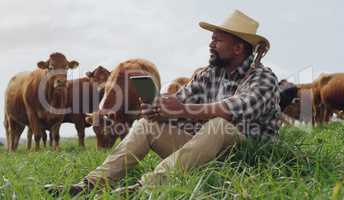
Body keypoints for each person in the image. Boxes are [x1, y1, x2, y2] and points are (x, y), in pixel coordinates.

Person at [45, 9, 281, 196]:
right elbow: (179, 100)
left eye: (218, 41)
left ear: (238, 47)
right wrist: (159, 107)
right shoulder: (209, 74)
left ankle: (145, 187)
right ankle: (89, 185)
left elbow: (233, 110)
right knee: (147, 125)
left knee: (218, 124)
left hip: (244, 156)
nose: (211, 45)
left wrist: (183, 109)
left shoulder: (263, 77)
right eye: (212, 40)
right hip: (201, 151)